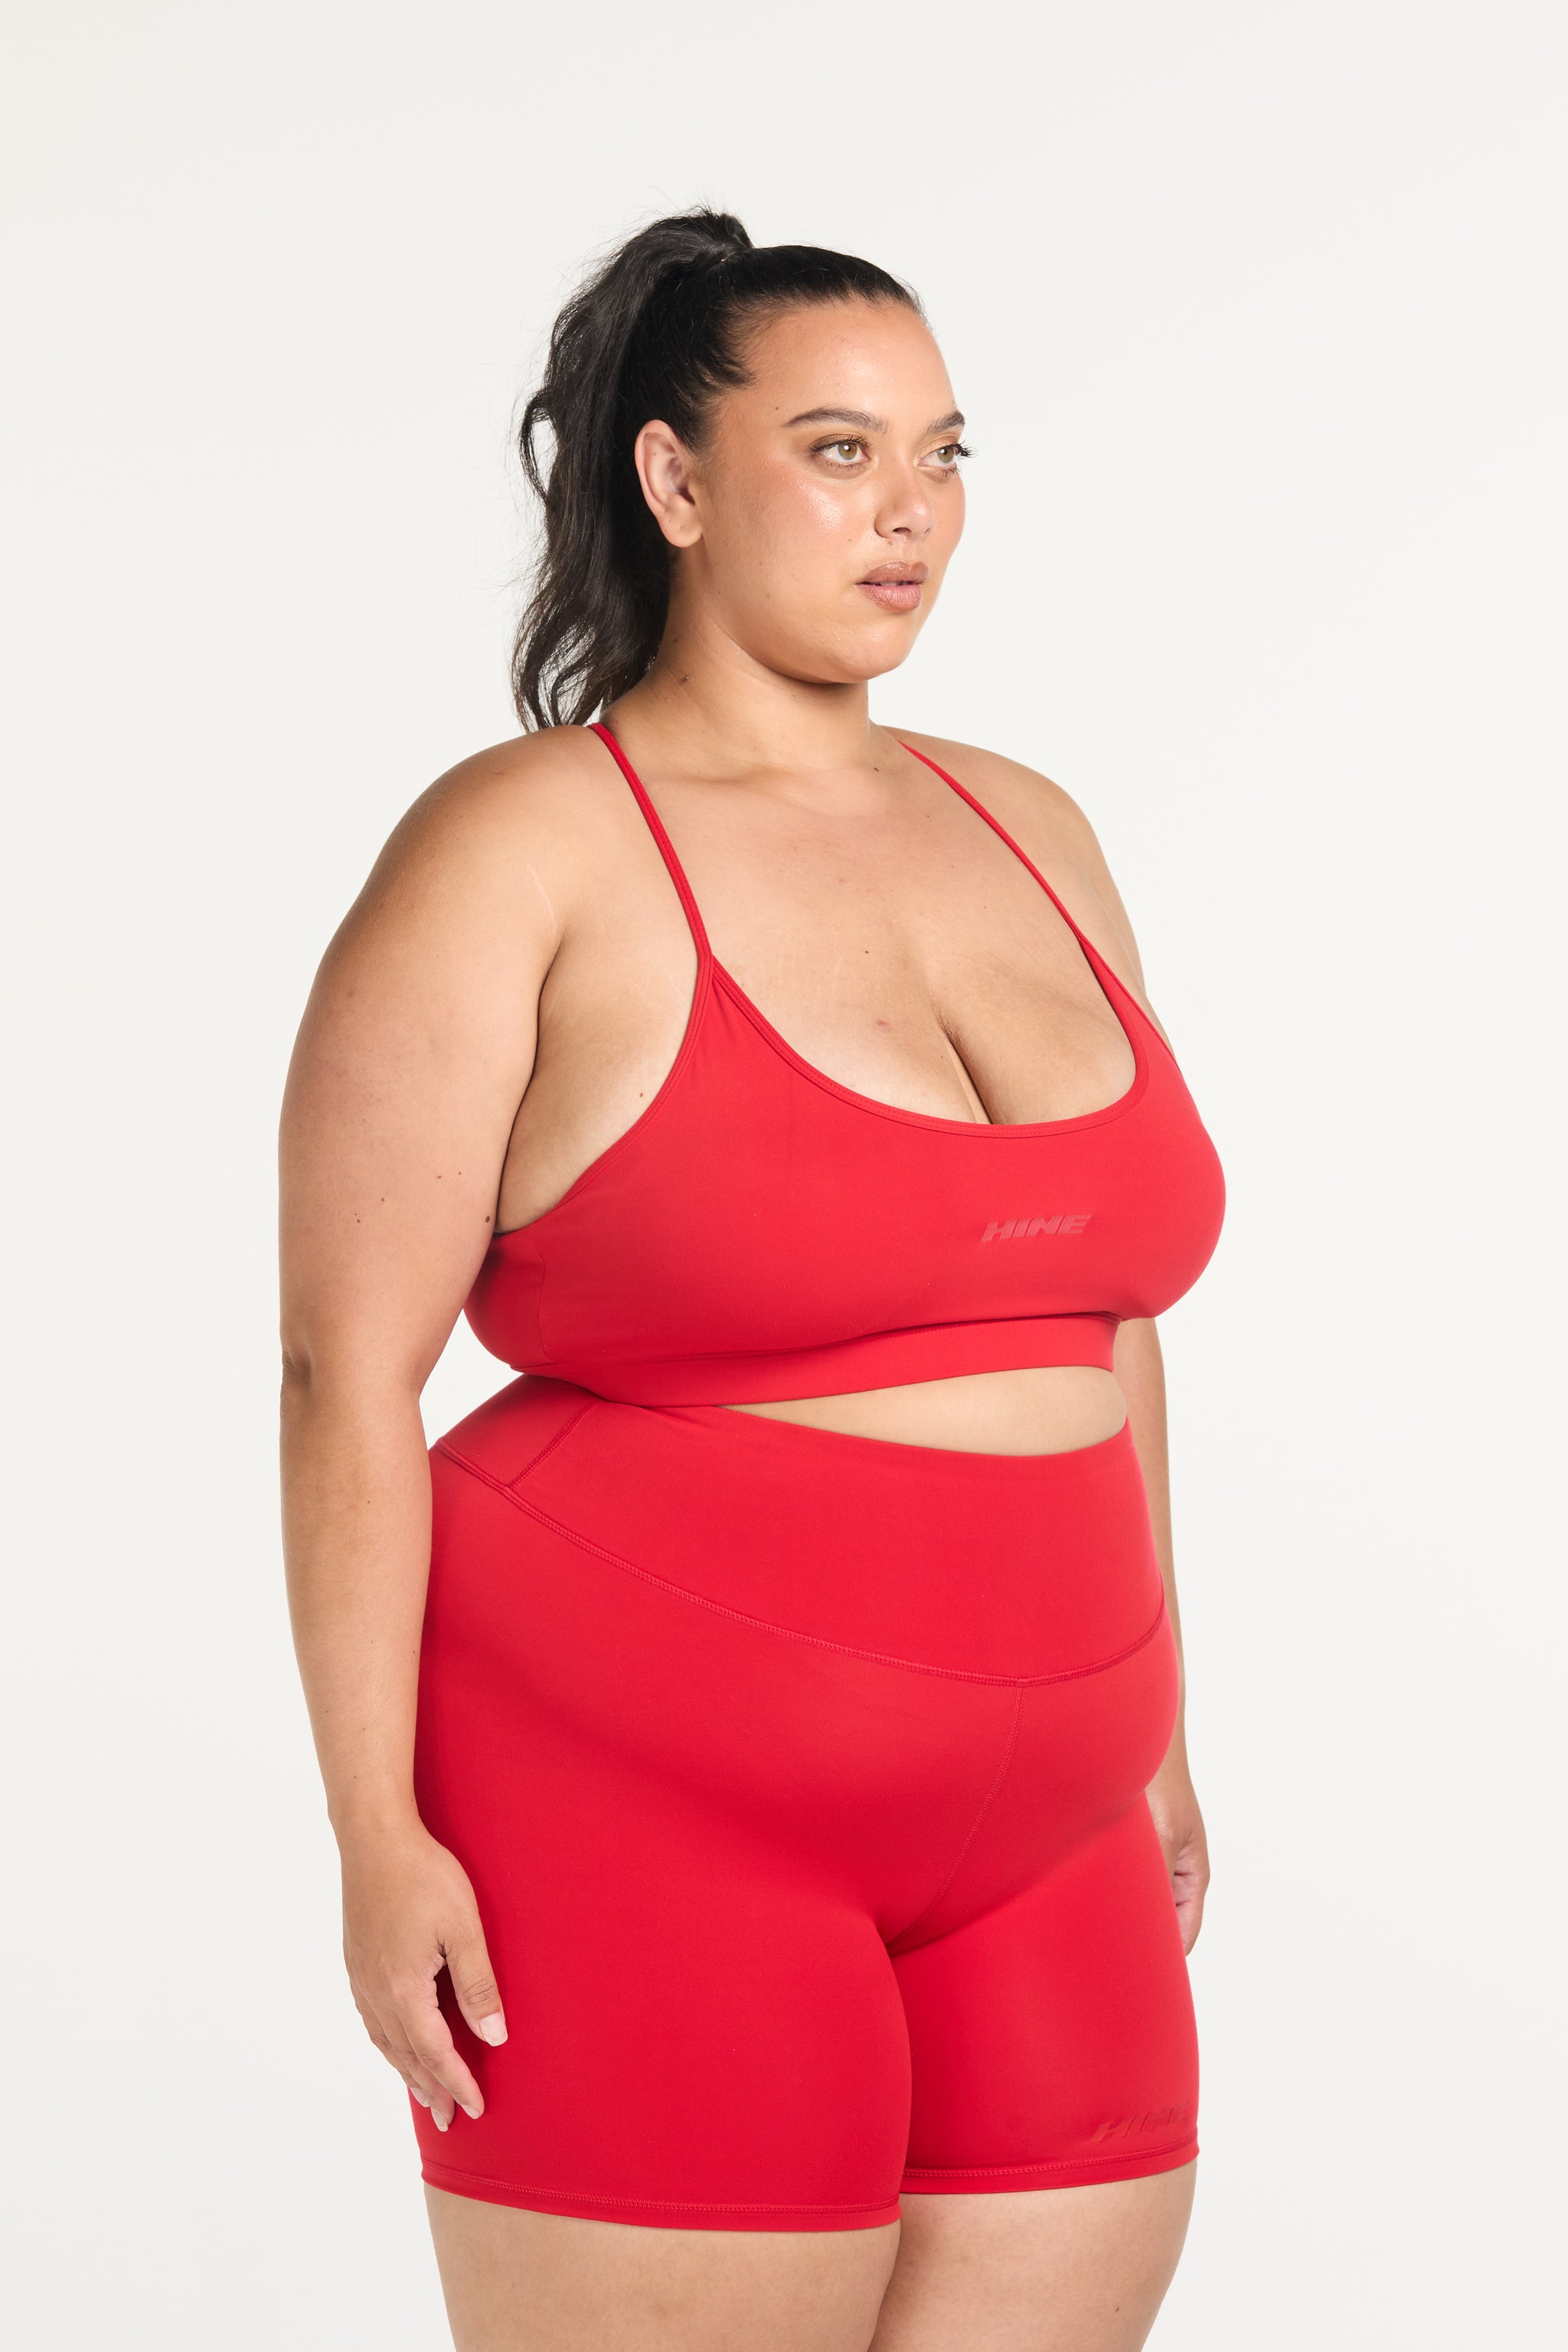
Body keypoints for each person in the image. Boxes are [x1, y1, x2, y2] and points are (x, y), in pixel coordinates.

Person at [279, 207, 1226, 2352]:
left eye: (945, 453)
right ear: (675, 481)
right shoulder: (521, 846)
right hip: (642, 1806)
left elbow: (1106, 1313)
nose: (912, 512)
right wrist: (374, 1831)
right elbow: (347, 1369)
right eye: (838, 450)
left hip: (1062, 1819)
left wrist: (1161, 1724)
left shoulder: (1033, 825)